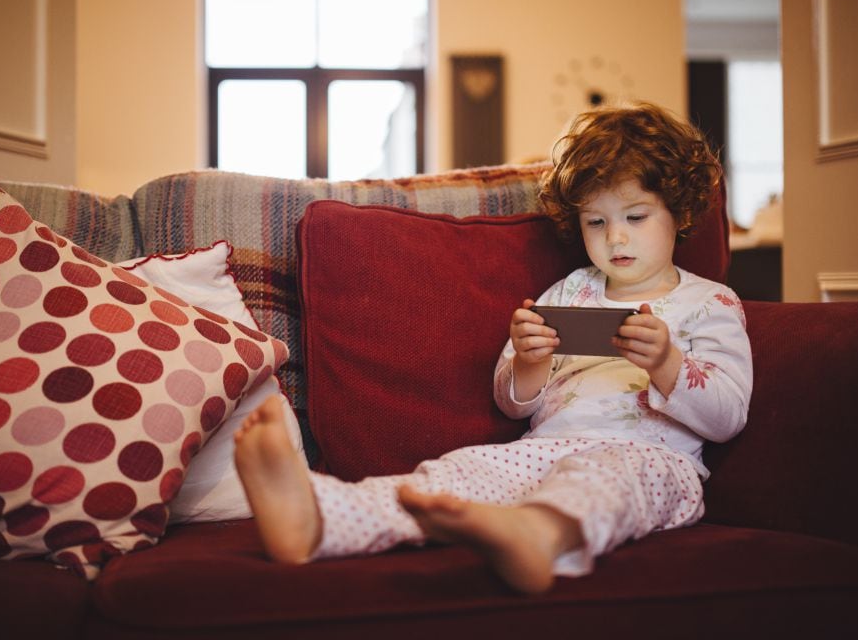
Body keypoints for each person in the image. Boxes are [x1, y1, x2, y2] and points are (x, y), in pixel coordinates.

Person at [233, 102, 752, 594]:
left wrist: (667, 363)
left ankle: (538, 536)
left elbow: (728, 415)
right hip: (541, 452)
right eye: (596, 222)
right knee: (458, 473)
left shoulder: (710, 302)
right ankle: (320, 517)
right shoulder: (571, 291)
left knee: (605, 481)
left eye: (635, 217)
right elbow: (511, 401)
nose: (615, 238)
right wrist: (529, 359)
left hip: (651, 460)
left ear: (680, 213)